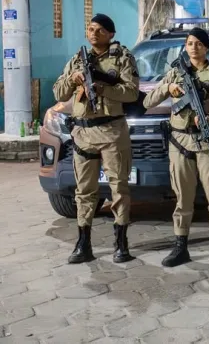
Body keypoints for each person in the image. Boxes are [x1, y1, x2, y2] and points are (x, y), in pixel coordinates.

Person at [143, 28, 209, 268]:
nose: (194, 47)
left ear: (206, 48)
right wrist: (167, 88)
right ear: (185, 47)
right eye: (189, 43)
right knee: (182, 198)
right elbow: (147, 102)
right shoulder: (174, 73)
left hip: (208, 142)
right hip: (180, 142)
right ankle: (180, 246)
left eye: (198, 44)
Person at [53, 14, 139, 264]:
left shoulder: (123, 58)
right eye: (90, 29)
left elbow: (132, 92)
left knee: (119, 189)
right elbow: (59, 92)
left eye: (100, 30)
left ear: (111, 34)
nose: (94, 33)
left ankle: (121, 243)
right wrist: (72, 79)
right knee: (84, 191)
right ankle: (83, 243)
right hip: (83, 133)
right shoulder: (78, 59)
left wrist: (103, 88)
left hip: (112, 131)